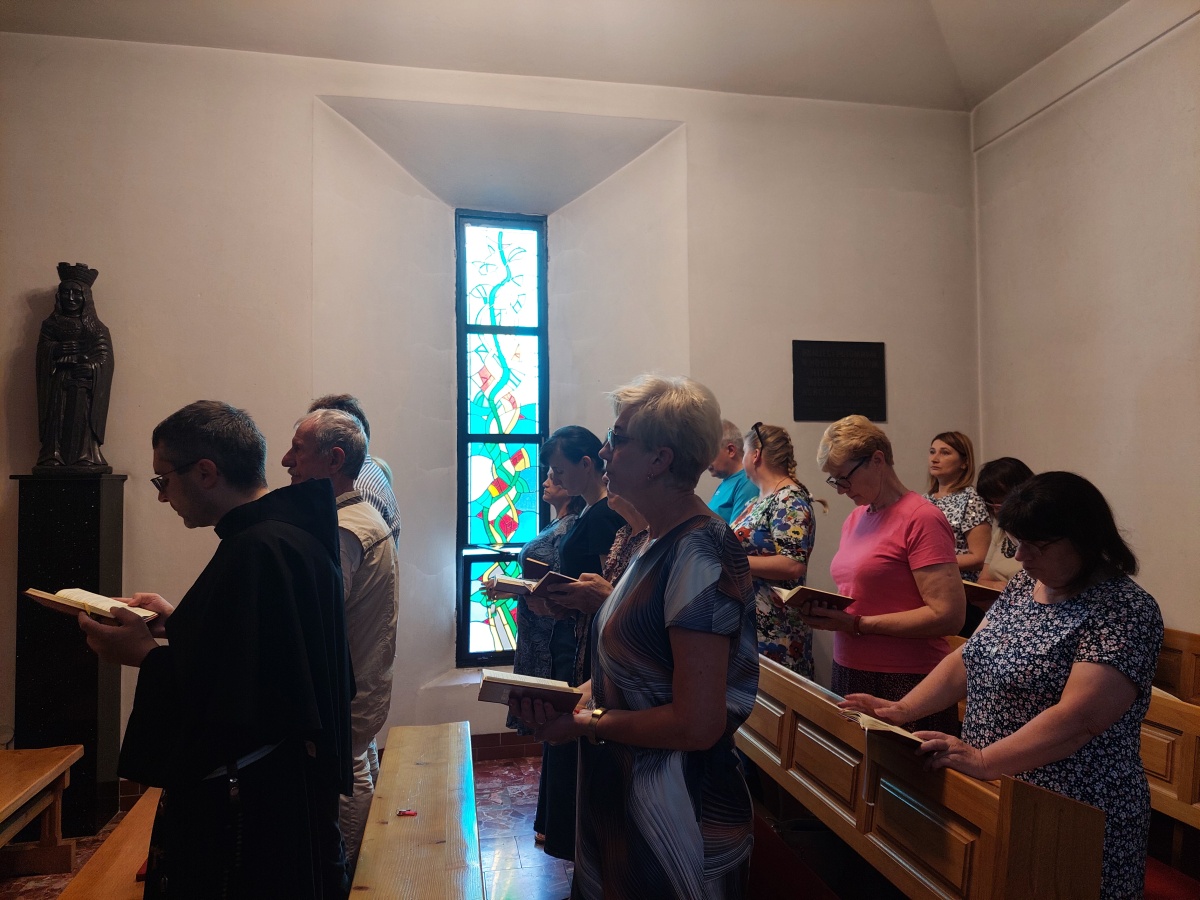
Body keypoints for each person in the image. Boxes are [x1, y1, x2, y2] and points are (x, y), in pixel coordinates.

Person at [841, 472, 1164, 900]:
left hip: (1073, 808)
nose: (1020, 557)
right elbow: (969, 658)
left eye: (1035, 545)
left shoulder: (1126, 609)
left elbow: (1081, 718)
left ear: (1083, 539)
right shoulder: (1027, 584)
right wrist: (902, 710)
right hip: (998, 789)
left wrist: (984, 759)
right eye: (1015, 543)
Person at [78, 400, 354, 900]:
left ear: (206, 472)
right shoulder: (284, 534)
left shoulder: (257, 547)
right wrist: (178, 623)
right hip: (286, 788)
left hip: (254, 807)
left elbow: (239, 702)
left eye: (164, 479)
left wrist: (143, 655)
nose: (162, 496)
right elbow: (265, 652)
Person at [514, 374, 759, 900]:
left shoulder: (701, 552)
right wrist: (569, 702)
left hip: (674, 813)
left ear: (659, 460)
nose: (604, 451)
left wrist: (585, 723)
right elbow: (632, 671)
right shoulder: (653, 541)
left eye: (617, 438)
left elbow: (697, 723)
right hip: (626, 795)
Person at [282, 409, 400, 872]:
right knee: (360, 759)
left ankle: (349, 874)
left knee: (347, 777)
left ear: (334, 459)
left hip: (346, 683)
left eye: (298, 450)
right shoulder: (358, 515)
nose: (287, 460)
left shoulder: (345, 528)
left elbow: (320, 617)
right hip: (362, 677)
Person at [808, 415, 964, 733]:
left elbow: (948, 616)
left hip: (906, 679)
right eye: (834, 481)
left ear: (877, 460)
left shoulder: (922, 518)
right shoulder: (855, 519)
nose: (840, 491)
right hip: (848, 667)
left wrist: (858, 624)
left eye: (844, 478)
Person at [533, 425, 625, 861]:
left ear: (587, 464)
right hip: (581, 631)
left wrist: (573, 601)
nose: (554, 478)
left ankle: (581, 845)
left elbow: (611, 585)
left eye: (559, 469)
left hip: (597, 639)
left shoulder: (606, 515)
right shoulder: (589, 511)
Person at [730, 421, 823, 677]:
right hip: (749, 625)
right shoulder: (756, 501)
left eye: (745, 452)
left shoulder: (789, 499)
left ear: (756, 455)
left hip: (776, 632)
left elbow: (792, 564)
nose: (743, 459)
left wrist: (731, 560)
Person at [502, 472, 584, 736]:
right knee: (539, 716)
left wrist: (539, 594)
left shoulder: (574, 524)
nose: (545, 482)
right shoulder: (555, 523)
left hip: (552, 627)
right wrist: (511, 588)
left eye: (554, 476)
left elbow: (561, 574)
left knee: (551, 714)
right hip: (534, 626)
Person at [35, 262, 114, 470]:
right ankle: (52, 454)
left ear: (86, 297)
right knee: (56, 418)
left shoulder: (96, 328)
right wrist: (56, 349)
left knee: (81, 419)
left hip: (82, 384)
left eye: (76, 293)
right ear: (59, 296)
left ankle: (85, 455)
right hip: (57, 382)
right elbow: (42, 353)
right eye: (66, 293)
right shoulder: (50, 325)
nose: (70, 298)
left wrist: (92, 368)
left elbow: (105, 358)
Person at [308, 394, 400, 546]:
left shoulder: (360, 487)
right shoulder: (364, 474)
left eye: (304, 446)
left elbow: (349, 555)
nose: (288, 460)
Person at [924, 431, 991, 581]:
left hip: (958, 583)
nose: (934, 459)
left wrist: (933, 562)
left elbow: (980, 557)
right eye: (932, 452)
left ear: (964, 462)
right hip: (926, 579)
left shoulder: (970, 499)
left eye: (945, 453)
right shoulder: (924, 500)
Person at [975, 457, 1034, 591]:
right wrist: (996, 586)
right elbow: (982, 580)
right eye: (991, 503)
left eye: (1001, 501)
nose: (997, 510)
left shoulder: (1043, 534)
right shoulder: (1001, 532)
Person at [706, 418, 760, 523]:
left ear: (731, 450)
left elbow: (738, 531)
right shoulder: (726, 482)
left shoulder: (747, 483)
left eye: (710, 453)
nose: (706, 460)